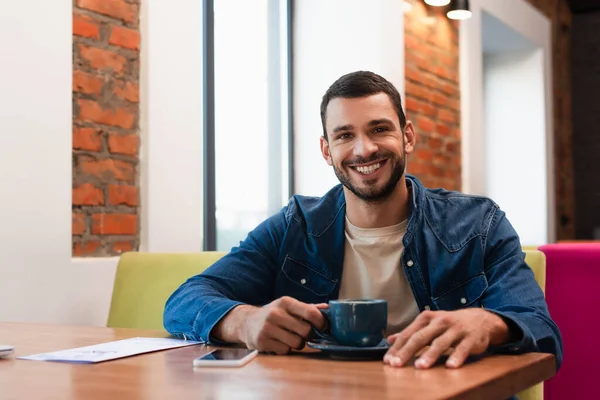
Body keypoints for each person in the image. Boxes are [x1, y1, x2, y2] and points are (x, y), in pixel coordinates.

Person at [164, 71, 563, 370]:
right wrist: (244, 322)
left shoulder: (479, 222)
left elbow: (541, 330)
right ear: (326, 150)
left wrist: (490, 323)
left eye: (379, 130)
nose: (364, 149)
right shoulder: (296, 224)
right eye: (344, 135)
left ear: (407, 136)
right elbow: (185, 301)